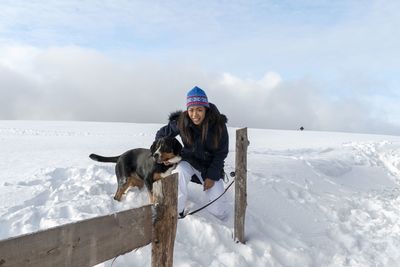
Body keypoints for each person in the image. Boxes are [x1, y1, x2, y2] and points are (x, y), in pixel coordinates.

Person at [155, 86, 229, 220]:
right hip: (189, 161)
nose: (195, 114)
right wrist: (165, 153)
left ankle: (216, 227)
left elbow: (221, 153)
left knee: (220, 212)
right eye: (191, 110)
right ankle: (176, 212)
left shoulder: (218, 125)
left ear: (206, 109)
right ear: (187, 110)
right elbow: (161, 134)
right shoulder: (182, 121)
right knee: (179, 173)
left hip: (209, 166)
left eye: (199, 110)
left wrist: (212, 176)